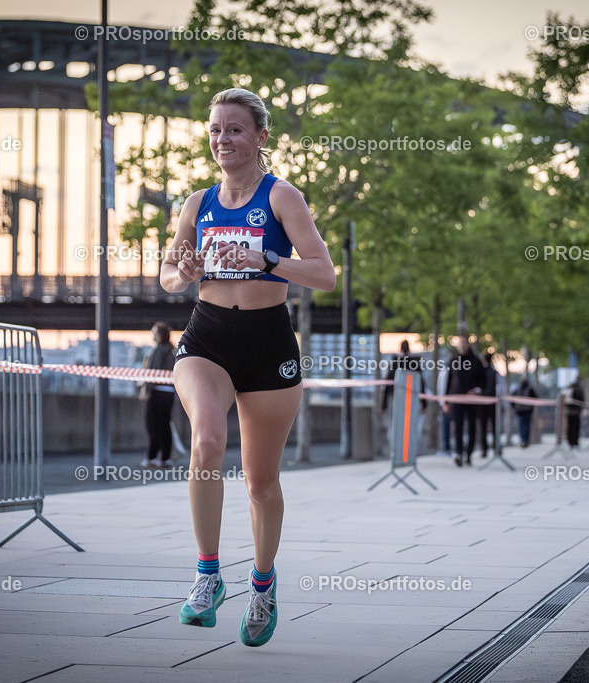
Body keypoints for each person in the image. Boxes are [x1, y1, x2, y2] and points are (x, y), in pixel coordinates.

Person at [160, 87, 335, 648]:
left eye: (235, 129)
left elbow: (325, 274)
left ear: (260, 138)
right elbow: (166, 275)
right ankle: (208, 575)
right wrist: (182, 270)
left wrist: (269, 260)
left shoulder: (283, 197)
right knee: (207, 441)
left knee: (260, 484)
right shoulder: (195, 203)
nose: (222, 139)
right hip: (207, 335)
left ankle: (262, 583)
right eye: (215, 129)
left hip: (268, 342)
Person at [140, 321, 177, 469]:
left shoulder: (157, 350)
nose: (152, 335)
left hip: (157, 393)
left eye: (154, 332)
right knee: (165, 426)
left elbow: (152, 372)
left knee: (152, 426)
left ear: (159, 335)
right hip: (169, 393)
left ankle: (151, 457)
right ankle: (166, 458)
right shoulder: (171, 351)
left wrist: (146, 391)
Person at [446, 333, 484, 467]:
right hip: (456, 398)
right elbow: (449, 381)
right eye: (459, 343)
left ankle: (468, 454)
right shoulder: (453, 361)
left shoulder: (476, 361)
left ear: (468, 344)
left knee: (472, 427)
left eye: (464, 343)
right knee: (458, 427)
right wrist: (446, 400)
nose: (461, 345)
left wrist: (477, 390)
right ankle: (458, 453)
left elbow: (482, 381)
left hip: (472, 400)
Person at [512, 377, 538, 448]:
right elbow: (535, 398)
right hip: (527, 410)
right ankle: (525, 440)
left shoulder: (517, 389)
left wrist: (514, 407)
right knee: (526, 426)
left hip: (519, 410)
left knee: (521, 425)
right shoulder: (530, 389)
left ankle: (523, 440)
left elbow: (512, 399)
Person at [564, 375, 585, 448]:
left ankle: (571, 441)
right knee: (575, 427)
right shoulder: (579, 389)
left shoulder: (571, 388)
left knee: (570, 427)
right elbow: (582, 399)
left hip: (570, 411)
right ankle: (574, 441)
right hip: (576, 411)